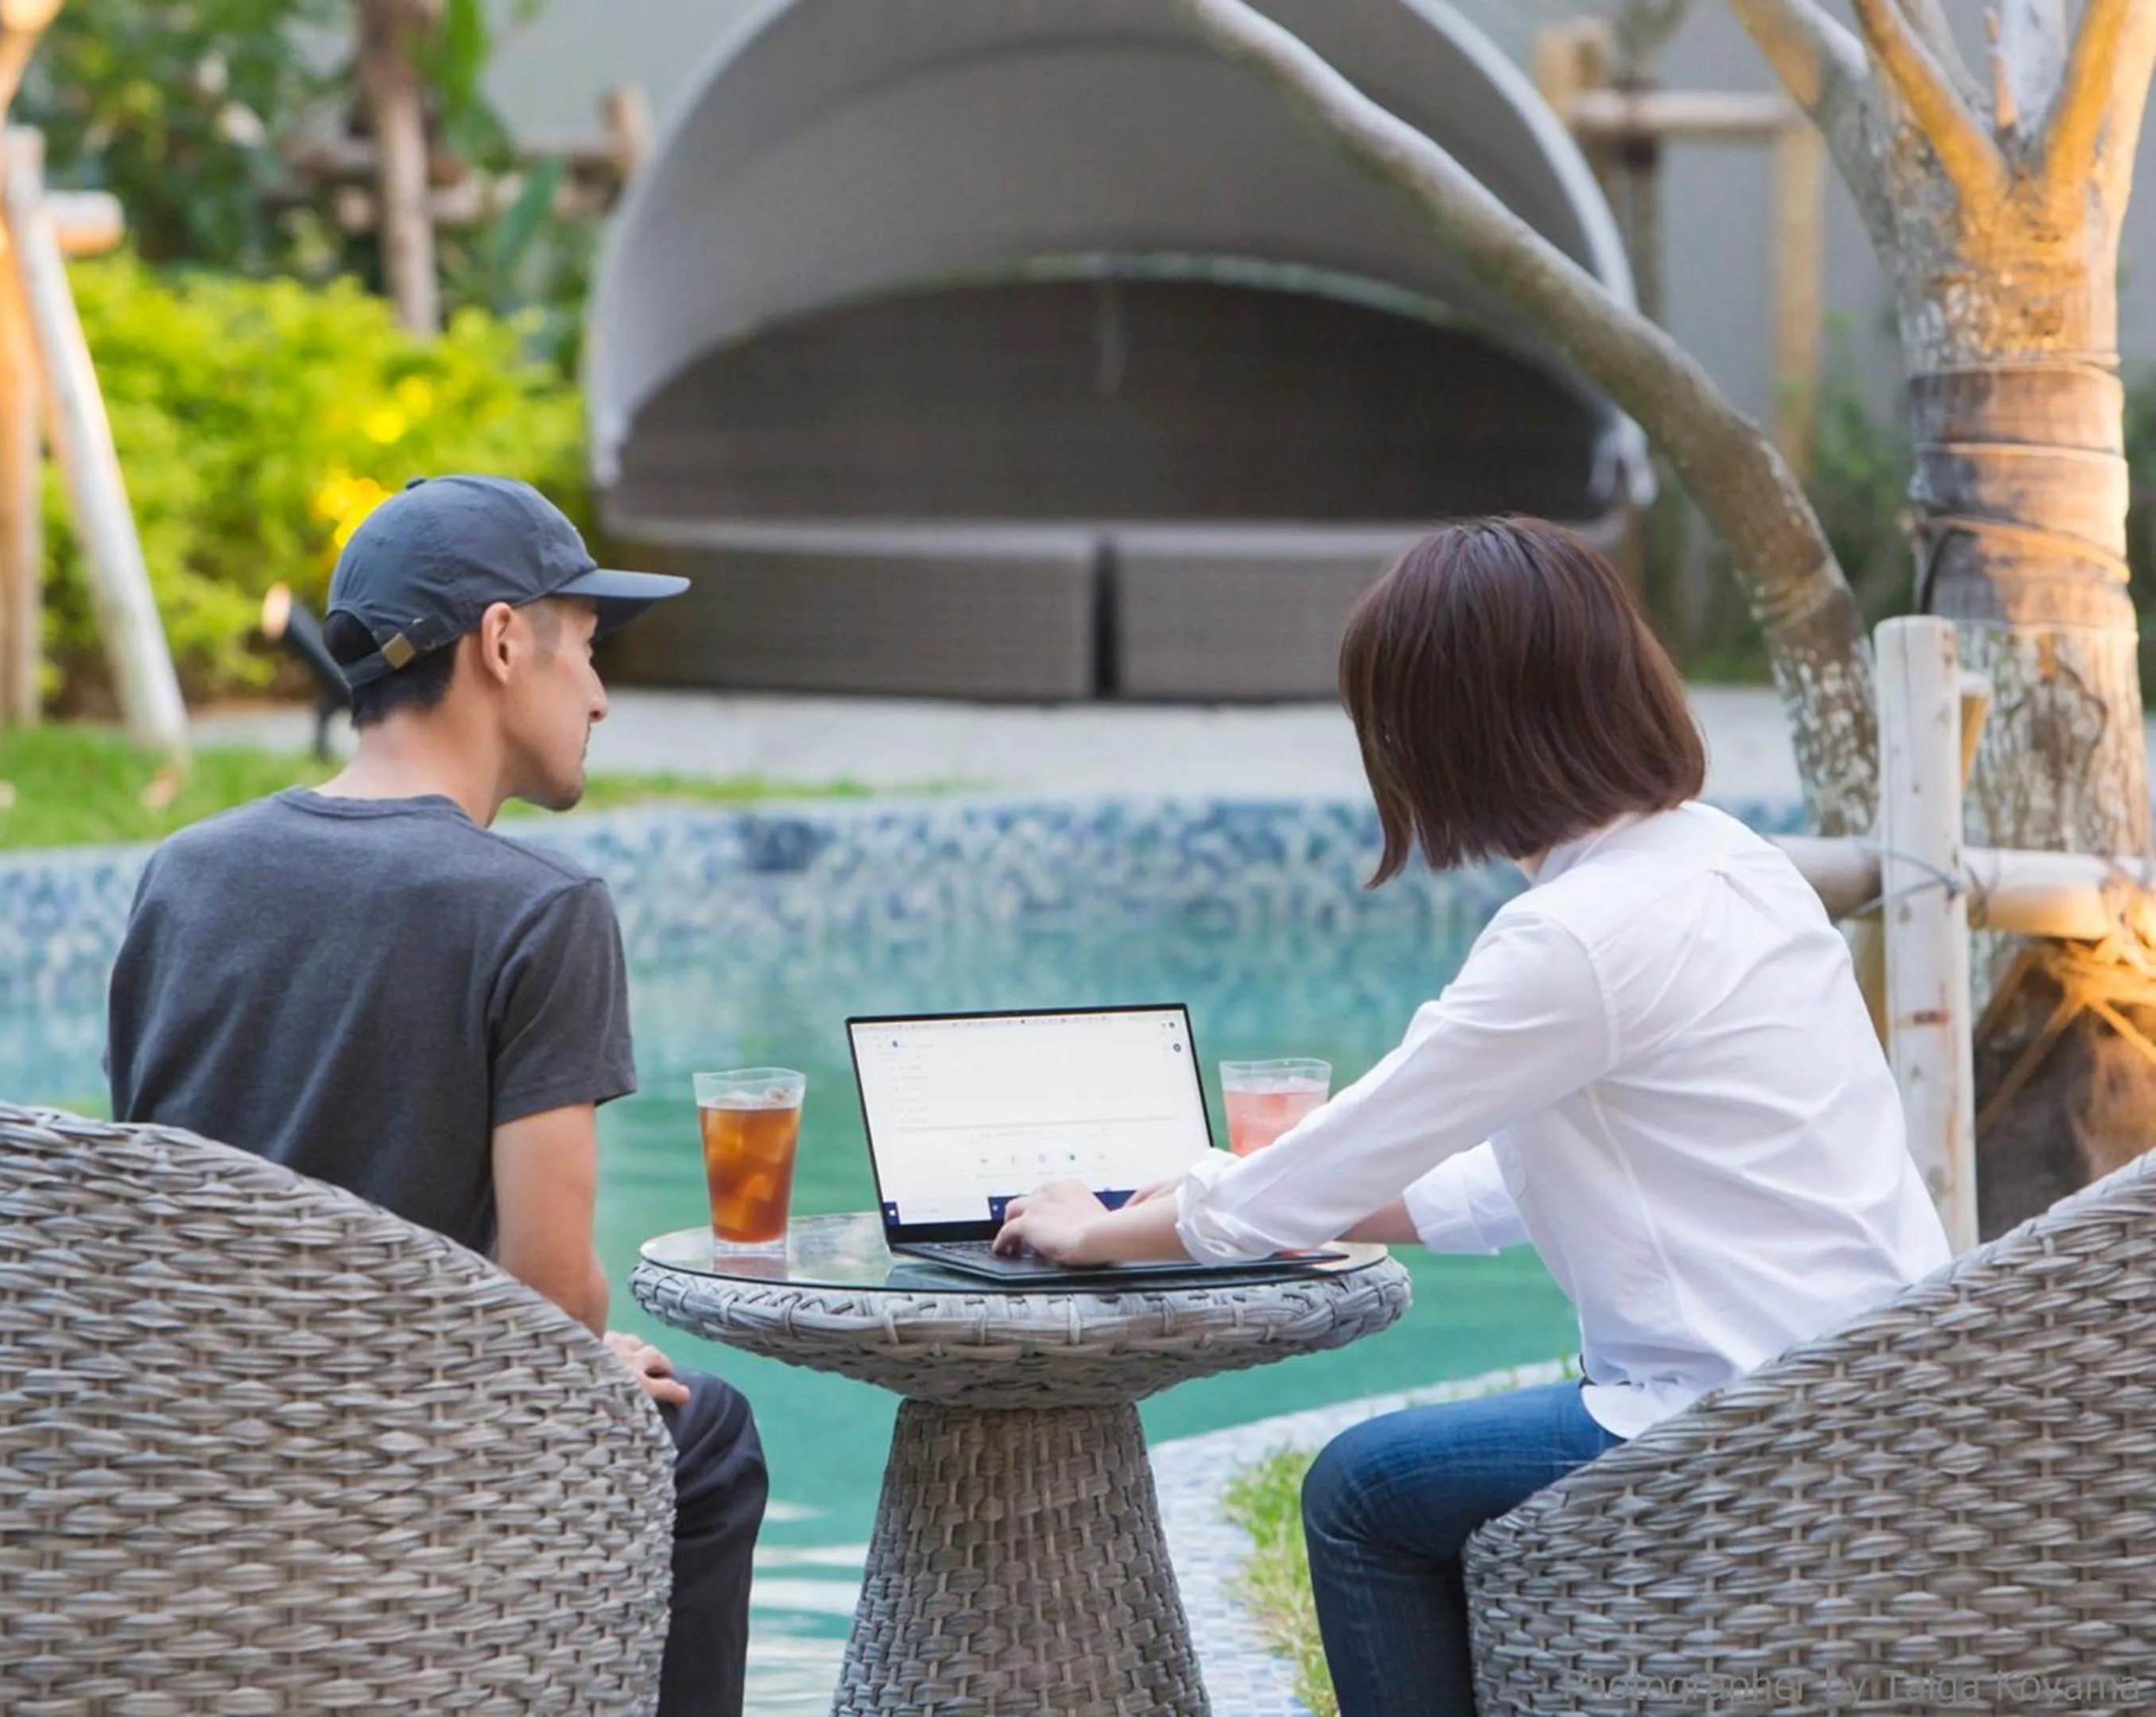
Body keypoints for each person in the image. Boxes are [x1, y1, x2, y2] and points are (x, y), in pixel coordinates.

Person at [995, 517, 1952, 1715]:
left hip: (1746, 1421)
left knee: (1360, 1494)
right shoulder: (1727, 861)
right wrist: (1240, 1199)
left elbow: (1328, 1162)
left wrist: (1098, 1231)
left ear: (1456, 734)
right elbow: (1529, 1172)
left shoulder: (1575, 937)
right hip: (1879, 1389)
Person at [107, 475, 767, 1717]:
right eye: (586, 648)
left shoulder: (182, 875)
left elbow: (144, 1206)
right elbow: (550, 1292)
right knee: (709, 1432)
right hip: (414, 1459)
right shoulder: (538, 910)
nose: (601, 695)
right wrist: (589, 1350)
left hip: (190, 1451)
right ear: (503, 642)